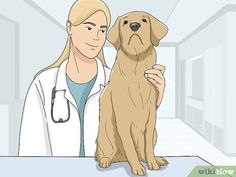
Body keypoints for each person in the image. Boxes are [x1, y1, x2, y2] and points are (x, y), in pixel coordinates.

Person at [18, 0, 166, 156]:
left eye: (102, 30)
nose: (96, 37)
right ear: (69, 28)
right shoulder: (43, 84)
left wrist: (155, 99)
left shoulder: (116, 80)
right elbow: (31, 148)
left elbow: (137, 137)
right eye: (89, 28)